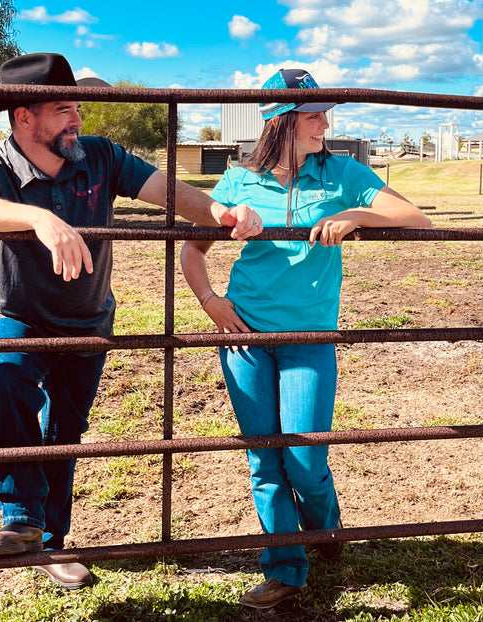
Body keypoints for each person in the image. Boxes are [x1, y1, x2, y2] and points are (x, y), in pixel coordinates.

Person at [0, 52, 262, 591]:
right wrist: (38, 218)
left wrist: (221, 214)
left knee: (65, 432)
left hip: (88, 319)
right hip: (15, 313)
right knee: (6, 379)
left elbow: (168, 192)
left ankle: (50, 543)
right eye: (64, 109)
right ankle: (20, 516)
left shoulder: (100, 156)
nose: (78, 119)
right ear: (24, 117)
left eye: (78, 107)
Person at [181, 67, 432, 610]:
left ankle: (324, 527)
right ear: (281, 121)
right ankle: (285, 569)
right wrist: (210, 300)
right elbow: (193, 249)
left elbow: (416, 217)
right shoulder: (239, 180)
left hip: (309, 337)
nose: (325, 124)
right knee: (264, 459)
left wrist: (355, 213)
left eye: (325, 114)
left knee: (306, 459)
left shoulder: (341, 171)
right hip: (245, 336)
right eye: (315, 115)